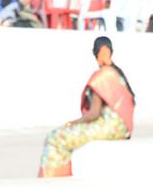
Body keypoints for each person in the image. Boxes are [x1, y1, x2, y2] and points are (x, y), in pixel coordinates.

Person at [38, 36, 135, 178]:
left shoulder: (101, 76)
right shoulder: (117, 74)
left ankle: (53, 177)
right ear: (111, 52)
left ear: (94, 53)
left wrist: (71, 123)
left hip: (110, 128)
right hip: (123, 128)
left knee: (55, 137)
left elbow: (94, 113)